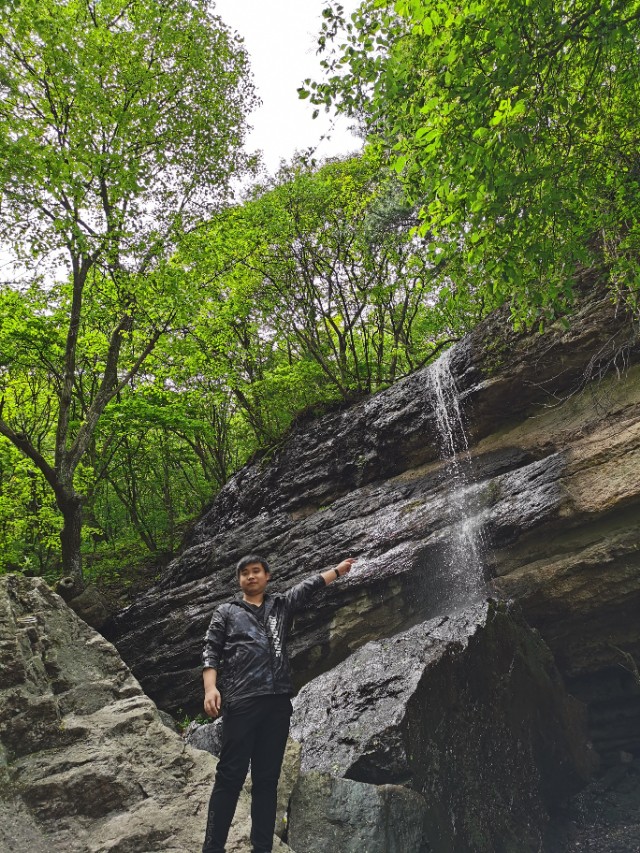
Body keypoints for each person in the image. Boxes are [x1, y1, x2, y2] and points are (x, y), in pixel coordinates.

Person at [201, 553, 355, 853]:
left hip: (277, 704)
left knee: (267, 780)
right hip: (241, 701)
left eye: (256, 571)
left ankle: (262, 848)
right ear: (239, 580)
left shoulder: (280, 607)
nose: (250, 576)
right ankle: (212, 848)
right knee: (230, 776)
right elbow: (210, 650)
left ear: (267, 576)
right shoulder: (226, 612)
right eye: (244, 573)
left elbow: (308, 586)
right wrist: (210, 688)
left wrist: (338, 570)